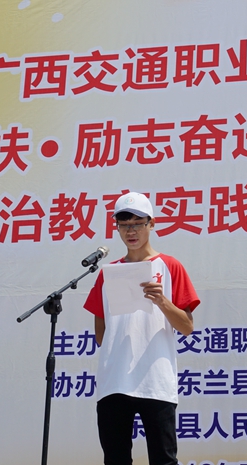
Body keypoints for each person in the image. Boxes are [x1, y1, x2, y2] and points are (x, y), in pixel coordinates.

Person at [83, 191, 200, 465]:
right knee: (115, 459)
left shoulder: (170, 266)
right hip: (115, 382)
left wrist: (162, 301)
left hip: (155, 381)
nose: (131, 231)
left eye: (138, 223)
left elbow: (187, 327)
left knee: (164, 460)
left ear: (152, 224)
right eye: (124, 225)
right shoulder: (108, 272)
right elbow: (100, 330)